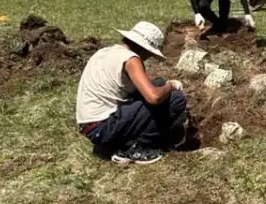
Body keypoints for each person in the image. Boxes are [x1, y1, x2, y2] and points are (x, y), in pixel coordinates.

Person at [75, 21, 193, 164]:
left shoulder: (105, 52)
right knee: (175, 98)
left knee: (158, 83)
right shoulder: (131, 60)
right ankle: (140, 148)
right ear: (144, 49)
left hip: (91, 127)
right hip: (103, 128)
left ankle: (116, 145)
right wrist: (171, 85)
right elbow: (154, 97)